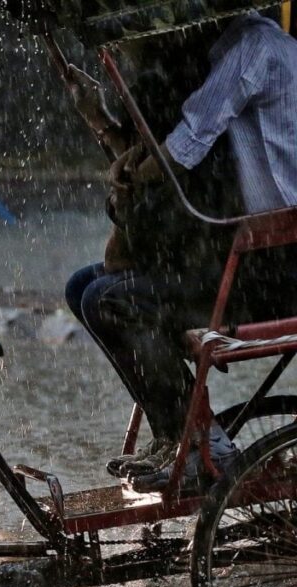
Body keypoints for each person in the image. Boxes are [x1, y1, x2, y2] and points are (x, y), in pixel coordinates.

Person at [73, 10, 297, 493]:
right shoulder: (234, 54)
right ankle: (174, 430)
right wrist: (114, 137)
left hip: (274, 264)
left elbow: (184, 145)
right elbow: (172, 151)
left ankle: (200, 442)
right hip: (252, 253)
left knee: (110, 298)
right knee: (83, 288)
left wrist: (130, 175)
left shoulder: (253, 48)